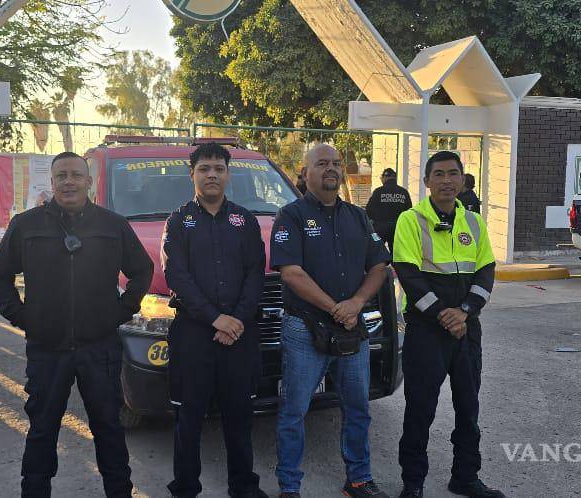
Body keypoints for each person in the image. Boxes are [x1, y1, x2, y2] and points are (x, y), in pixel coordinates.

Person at [0, 151, 154, 498]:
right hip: (47, 349)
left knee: (108, 428)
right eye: (61, 175)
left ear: (88, 181)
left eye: (76, 175)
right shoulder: (26, 225)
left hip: (100, 348)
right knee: (42, 431)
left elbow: (141, 271)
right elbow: (0, 274)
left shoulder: (112, 225)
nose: (68, 182)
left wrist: (121, 311)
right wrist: (20, 316)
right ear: (51, 182)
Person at [270, 144, 391, 498]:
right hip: (304, 328)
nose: (331, 169)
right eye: (322, 163)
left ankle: (358, 480)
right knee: (294, 412)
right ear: (304, 172)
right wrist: (335, 306)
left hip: (352, 328)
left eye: (336, 163)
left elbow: (379, 266)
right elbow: (291, 273)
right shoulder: (289, 216)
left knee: (357, 408)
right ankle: (289, 487)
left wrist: (355, 303)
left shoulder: (358, 216)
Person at [161, 143, 268, 498]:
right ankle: (186, 487)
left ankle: (243, 486)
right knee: (189, 418)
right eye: (204, 168)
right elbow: (177, 276)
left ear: (228, 173)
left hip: (239, 335)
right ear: (191, 174)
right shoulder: (178, 221)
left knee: (239, 416)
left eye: (218, 168)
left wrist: (235, 320)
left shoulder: (245, 220)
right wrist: (216, 319)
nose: (212, 175)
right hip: (194, 334)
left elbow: (256, 274)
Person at [393, 151, 501, 498]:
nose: (446, 181)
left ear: (462, 180)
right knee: (420, 410)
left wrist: (465, 311)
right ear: (426, 182)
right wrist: (445, 314)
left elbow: (486, 270)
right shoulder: (410, 220)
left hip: (466, 330)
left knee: (469, 409)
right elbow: (408, 276)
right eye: (438, 174)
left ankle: (465, 477)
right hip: (427, 332)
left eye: (453, 174)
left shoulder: (473, 221)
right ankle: (413, 483)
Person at [365, 168, 412, 254]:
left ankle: (382, 262)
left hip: (379, 229)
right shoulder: (403, 192)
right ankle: (396, 265)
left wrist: (373, 222)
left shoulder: (378, 191)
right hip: (398, 229)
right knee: (397, 254)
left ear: (385, 177)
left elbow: (369, 209)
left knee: (376, 251)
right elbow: (409, 211)